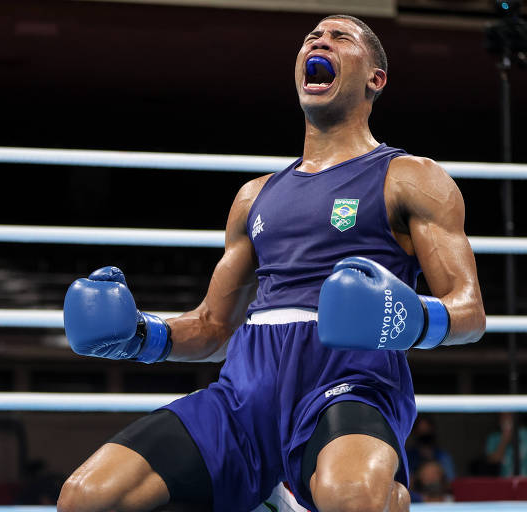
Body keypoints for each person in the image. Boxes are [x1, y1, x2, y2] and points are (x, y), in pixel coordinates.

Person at [59, 14, 485, 512]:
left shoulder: (410, 178)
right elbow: (214, 327)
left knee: (353, 498)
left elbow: (470, 312)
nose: (319, 41)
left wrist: (410, 315)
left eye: (339, 37)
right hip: (245, 392)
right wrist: (140, 336)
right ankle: (268, 491)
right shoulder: (254, 197)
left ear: (376, 78)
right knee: (87, 497)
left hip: (348, 382)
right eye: (312, 37)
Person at [406, 416, 455, 482]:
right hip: (416, 491)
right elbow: (405, 482)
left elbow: (451, 481)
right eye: (421, 431)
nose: (424, 434)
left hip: (439, 491)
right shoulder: (408, 457)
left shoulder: (443, 456)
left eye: (427, 431)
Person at [485, 412, 527, 476]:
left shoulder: (525, 434)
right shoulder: (494, 437)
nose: (506, 419)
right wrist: (504, 440)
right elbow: (493, 460)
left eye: (509, 415)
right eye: (503, 416)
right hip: (505, 481)